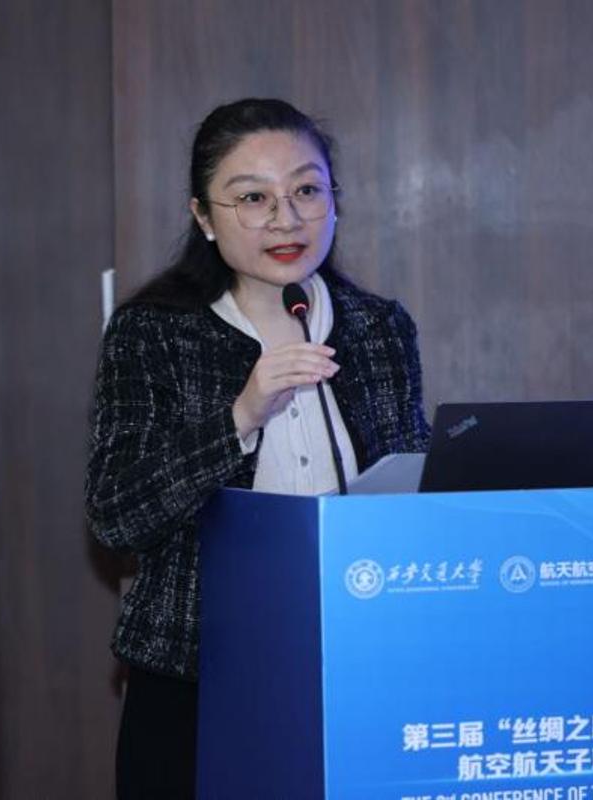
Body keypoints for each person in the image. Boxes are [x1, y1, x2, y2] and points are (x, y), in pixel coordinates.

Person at [84, 98, 431, 798]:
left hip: (360, 660)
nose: (286, 218)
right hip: (197, 675)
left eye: (306, 190)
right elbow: (117, 516)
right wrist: (239, 416)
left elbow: (411, 487)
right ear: (205, 217)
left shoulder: (378, 328)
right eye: (252, 198)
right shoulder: (154, 333)